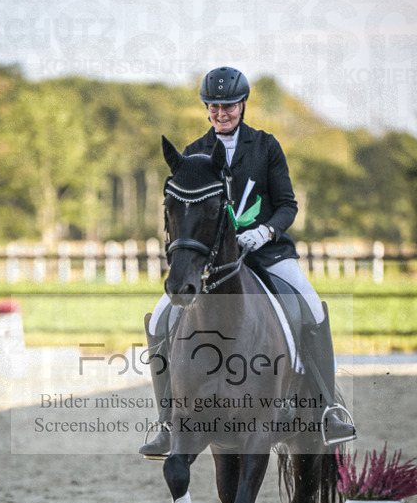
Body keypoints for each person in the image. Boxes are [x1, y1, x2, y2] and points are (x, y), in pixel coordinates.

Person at [139, 65, 355, 458]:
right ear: (206, 108)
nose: (222, 112)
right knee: (157, 319)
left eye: (229, 105)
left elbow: (288, 204)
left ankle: (327, 408)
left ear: (242, 105)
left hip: (267, 252)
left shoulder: (266, 147)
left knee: (311, 306)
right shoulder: (193, 153)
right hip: (212, 261)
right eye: (214, 105)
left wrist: (264, 232)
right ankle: (167, 422)